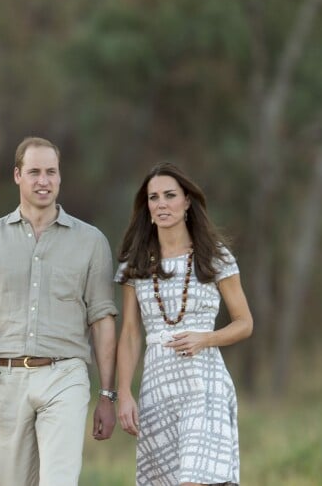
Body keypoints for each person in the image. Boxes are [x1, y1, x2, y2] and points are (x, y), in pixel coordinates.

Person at [0, 136, 118, 486]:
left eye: (51, 172)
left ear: (60, 177)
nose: (43, 180)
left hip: (66, 375)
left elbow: (102, 319)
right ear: (17, 175)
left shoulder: (91, 242)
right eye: (34, 172)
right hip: (7, 377)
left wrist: (107, 395)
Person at [115, 162, 253, 486]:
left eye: (169, 195)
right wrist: (123, 392)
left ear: (187, 202)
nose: (161, 204)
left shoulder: (214, 257)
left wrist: (206, 339)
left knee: (194, 480)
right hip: (158, 387)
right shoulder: (134, 265)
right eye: (153, 197)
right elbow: (131, 333)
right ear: (146, 207)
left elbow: (244, 323)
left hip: (204, 385)